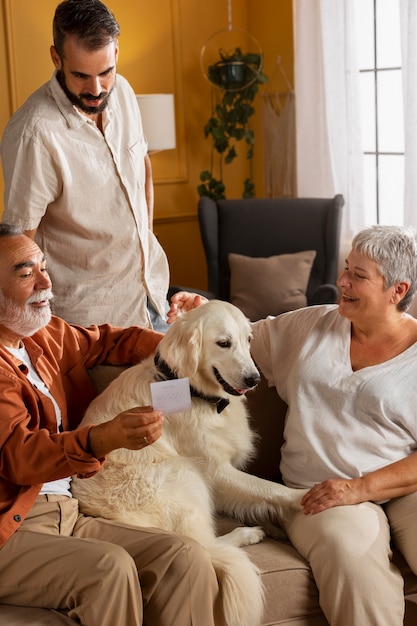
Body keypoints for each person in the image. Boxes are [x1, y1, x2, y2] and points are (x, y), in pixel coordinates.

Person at [169, 224, 417, 626]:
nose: (342, 282)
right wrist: (202, 314)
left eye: (358, 275)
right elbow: (224, 349)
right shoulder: (310, 327)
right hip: (318, 494)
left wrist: (361, 487)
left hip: (401, 489)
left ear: (398, 291)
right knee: (353, 559)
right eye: (346, 268)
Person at [0, 223, 226, 626]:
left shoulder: (44, 335)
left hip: (67, 512)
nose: (45, 282)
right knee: (110, 567)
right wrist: (101, 438)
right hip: (11, 528)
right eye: (26, 272)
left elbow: (109, 341)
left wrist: (188, 346)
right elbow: (20, 457)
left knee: (184, 555)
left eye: (44, 267)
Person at [0, 0, 170, 332]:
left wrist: (145, 241)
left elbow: (143, 169)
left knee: (178, 385)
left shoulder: (123, 94)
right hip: (88, 325)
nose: (96, 89)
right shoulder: (34, 134)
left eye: (105, 72)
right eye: (80, 75)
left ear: (116, 52)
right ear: (56, 57)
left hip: (151, 298)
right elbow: (18, 245)